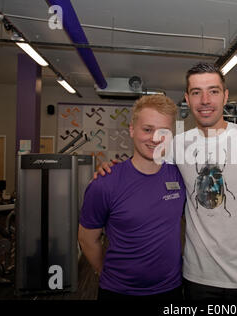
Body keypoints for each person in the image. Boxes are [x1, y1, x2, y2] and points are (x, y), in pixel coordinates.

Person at [97, 62, 237, 300]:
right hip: (198, 276)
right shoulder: (176, 145)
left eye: (213, 91)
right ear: (187, 99)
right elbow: (143, 165)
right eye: (196, 92)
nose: (205, 100)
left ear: (225, 96)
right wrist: (111, 170)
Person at [78, 95, 186, 300]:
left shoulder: (180, 176)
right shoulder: (104, 183)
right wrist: (107, 273)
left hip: (171, 289)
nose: (155, 138)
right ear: (131, 130)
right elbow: (87, 239)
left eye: (163, 131)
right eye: (147, 129)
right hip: (118, 291)